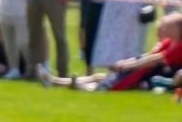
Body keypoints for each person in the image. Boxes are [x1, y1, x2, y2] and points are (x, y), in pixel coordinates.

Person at [40, 12, 182, 91]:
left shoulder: (179, 46)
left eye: (167, 26)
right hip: (145, 71)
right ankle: (55, 81)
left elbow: (156, 59)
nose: (163, 29)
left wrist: (127, 66)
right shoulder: (169, 42)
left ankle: (79, 86)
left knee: (107, 81)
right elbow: (148, 56)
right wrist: (125, 63)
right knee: (99, 76)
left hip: (150, 76)